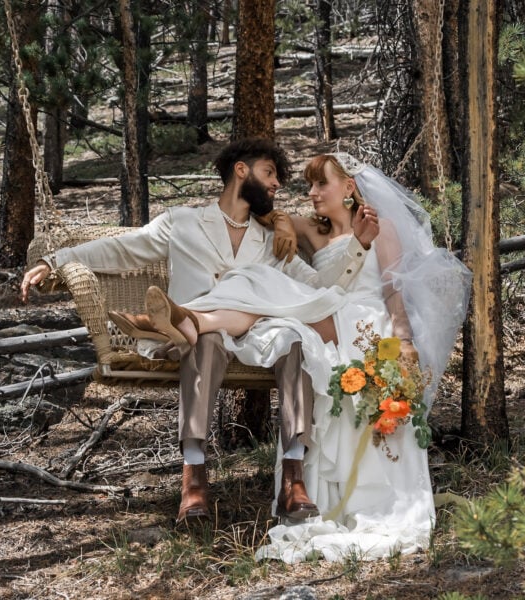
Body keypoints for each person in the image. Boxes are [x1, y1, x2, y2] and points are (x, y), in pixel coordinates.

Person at [113, 153, 472, 561]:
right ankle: (195, 321)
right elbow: (269, 217)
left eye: (321, 184)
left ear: (349, 188)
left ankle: (189, 318)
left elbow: (392, 291)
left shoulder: (380, 226)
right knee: (268, 294)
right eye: (309, 185)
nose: (312, 193)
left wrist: (403, 341)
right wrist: (283, 223)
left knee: (263, 284)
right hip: (324, 315)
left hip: (366, 324)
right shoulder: (311, 229)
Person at [19, 138, 379, 525]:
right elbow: (122, 249)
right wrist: (55, 260)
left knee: (294, 340)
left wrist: (358, 246)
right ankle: (194, 478)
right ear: (241, 170)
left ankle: (294, 478)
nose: (277, 184)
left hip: (254, 334)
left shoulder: (270, 240)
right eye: (269, 173)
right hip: (199, 340)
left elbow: (319, 288)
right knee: (204, 341)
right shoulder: (182, 222)